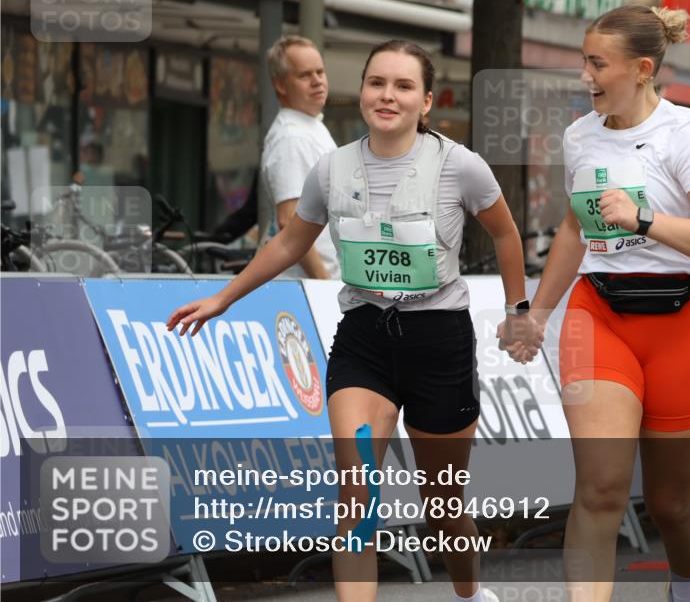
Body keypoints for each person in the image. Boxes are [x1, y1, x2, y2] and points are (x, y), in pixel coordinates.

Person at [168, 39, 540, 602]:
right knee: (357, 497)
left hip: (439, 341)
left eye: (403, 86)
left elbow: (507, 234)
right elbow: (291, 239)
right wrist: (225, 297)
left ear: (427, 101)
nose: (387, 95)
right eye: (376, 83)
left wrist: (518, 313)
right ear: (361, 91)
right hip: (364, 340)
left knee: (442, 506)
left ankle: (469, 593)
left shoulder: (458, 165)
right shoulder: (332, 167)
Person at [503, 5, 690, 602]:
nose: (585, 75)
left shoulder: (686, 135)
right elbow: (571, 230)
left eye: (596, 63)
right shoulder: (580, 134)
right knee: (601, 489)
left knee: (668, 501)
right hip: (600, 314)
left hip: (686, 325)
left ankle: (687, 583)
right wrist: (536, 314)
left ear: (641, 69)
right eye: (583, 60)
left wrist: (645, 218)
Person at [258, 35, 339, 279]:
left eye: (320, 72)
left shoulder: (310, 126)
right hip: (305, 291)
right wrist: (325, 285)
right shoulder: (292, 138)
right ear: (281, 85)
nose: (317, 81)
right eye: (305, 75)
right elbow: (290, 221)